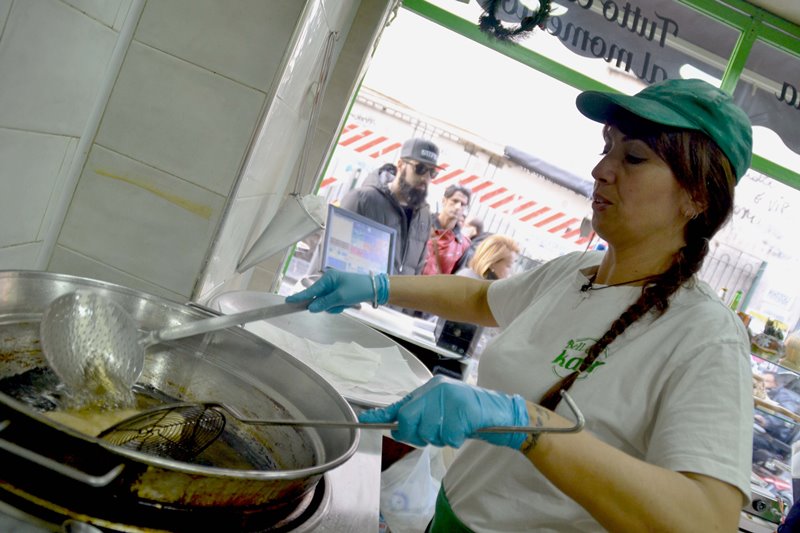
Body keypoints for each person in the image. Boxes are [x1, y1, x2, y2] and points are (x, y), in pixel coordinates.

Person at [287, 78, 753, 531]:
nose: (601, 170)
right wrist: (378, 286)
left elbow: (707, 519)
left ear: (697, 195)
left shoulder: (704, 334)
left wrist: (527, 426)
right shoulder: (573, 272)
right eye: (607, 147)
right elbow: (480, 297)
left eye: (633, 157)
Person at [340, 137, 441, 275]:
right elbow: (332, 258)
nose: (426, 178)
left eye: (432, 172)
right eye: (420, 168)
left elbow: (416, 271)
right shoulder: (362, 200)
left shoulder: (424, 216)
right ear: (400, 164)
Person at [422, 185, 472, 275]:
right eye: (455, 201)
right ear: (444, 201)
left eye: (463, 204)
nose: (458, 207)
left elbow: (455, 278)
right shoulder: (421, 225)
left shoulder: (464, 245)